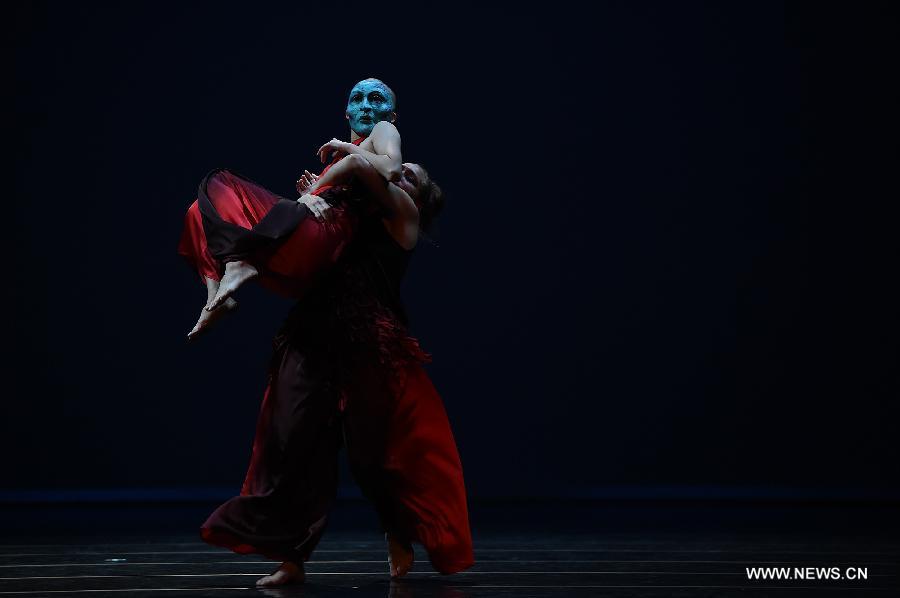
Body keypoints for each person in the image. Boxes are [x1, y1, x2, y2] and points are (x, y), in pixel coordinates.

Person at [180, 79, 474, 586]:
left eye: (412, 177)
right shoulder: (347, 204)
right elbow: (330, 216)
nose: (403, 177)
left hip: (370, 343)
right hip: (314, 331)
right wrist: (306, 204)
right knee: (291, 442)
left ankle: (398, 533)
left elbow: (367, 166)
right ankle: (291, 558)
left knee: (377, 453)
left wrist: (328, 173)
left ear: (420, 196)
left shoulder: (403, 214)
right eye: (402, 172)